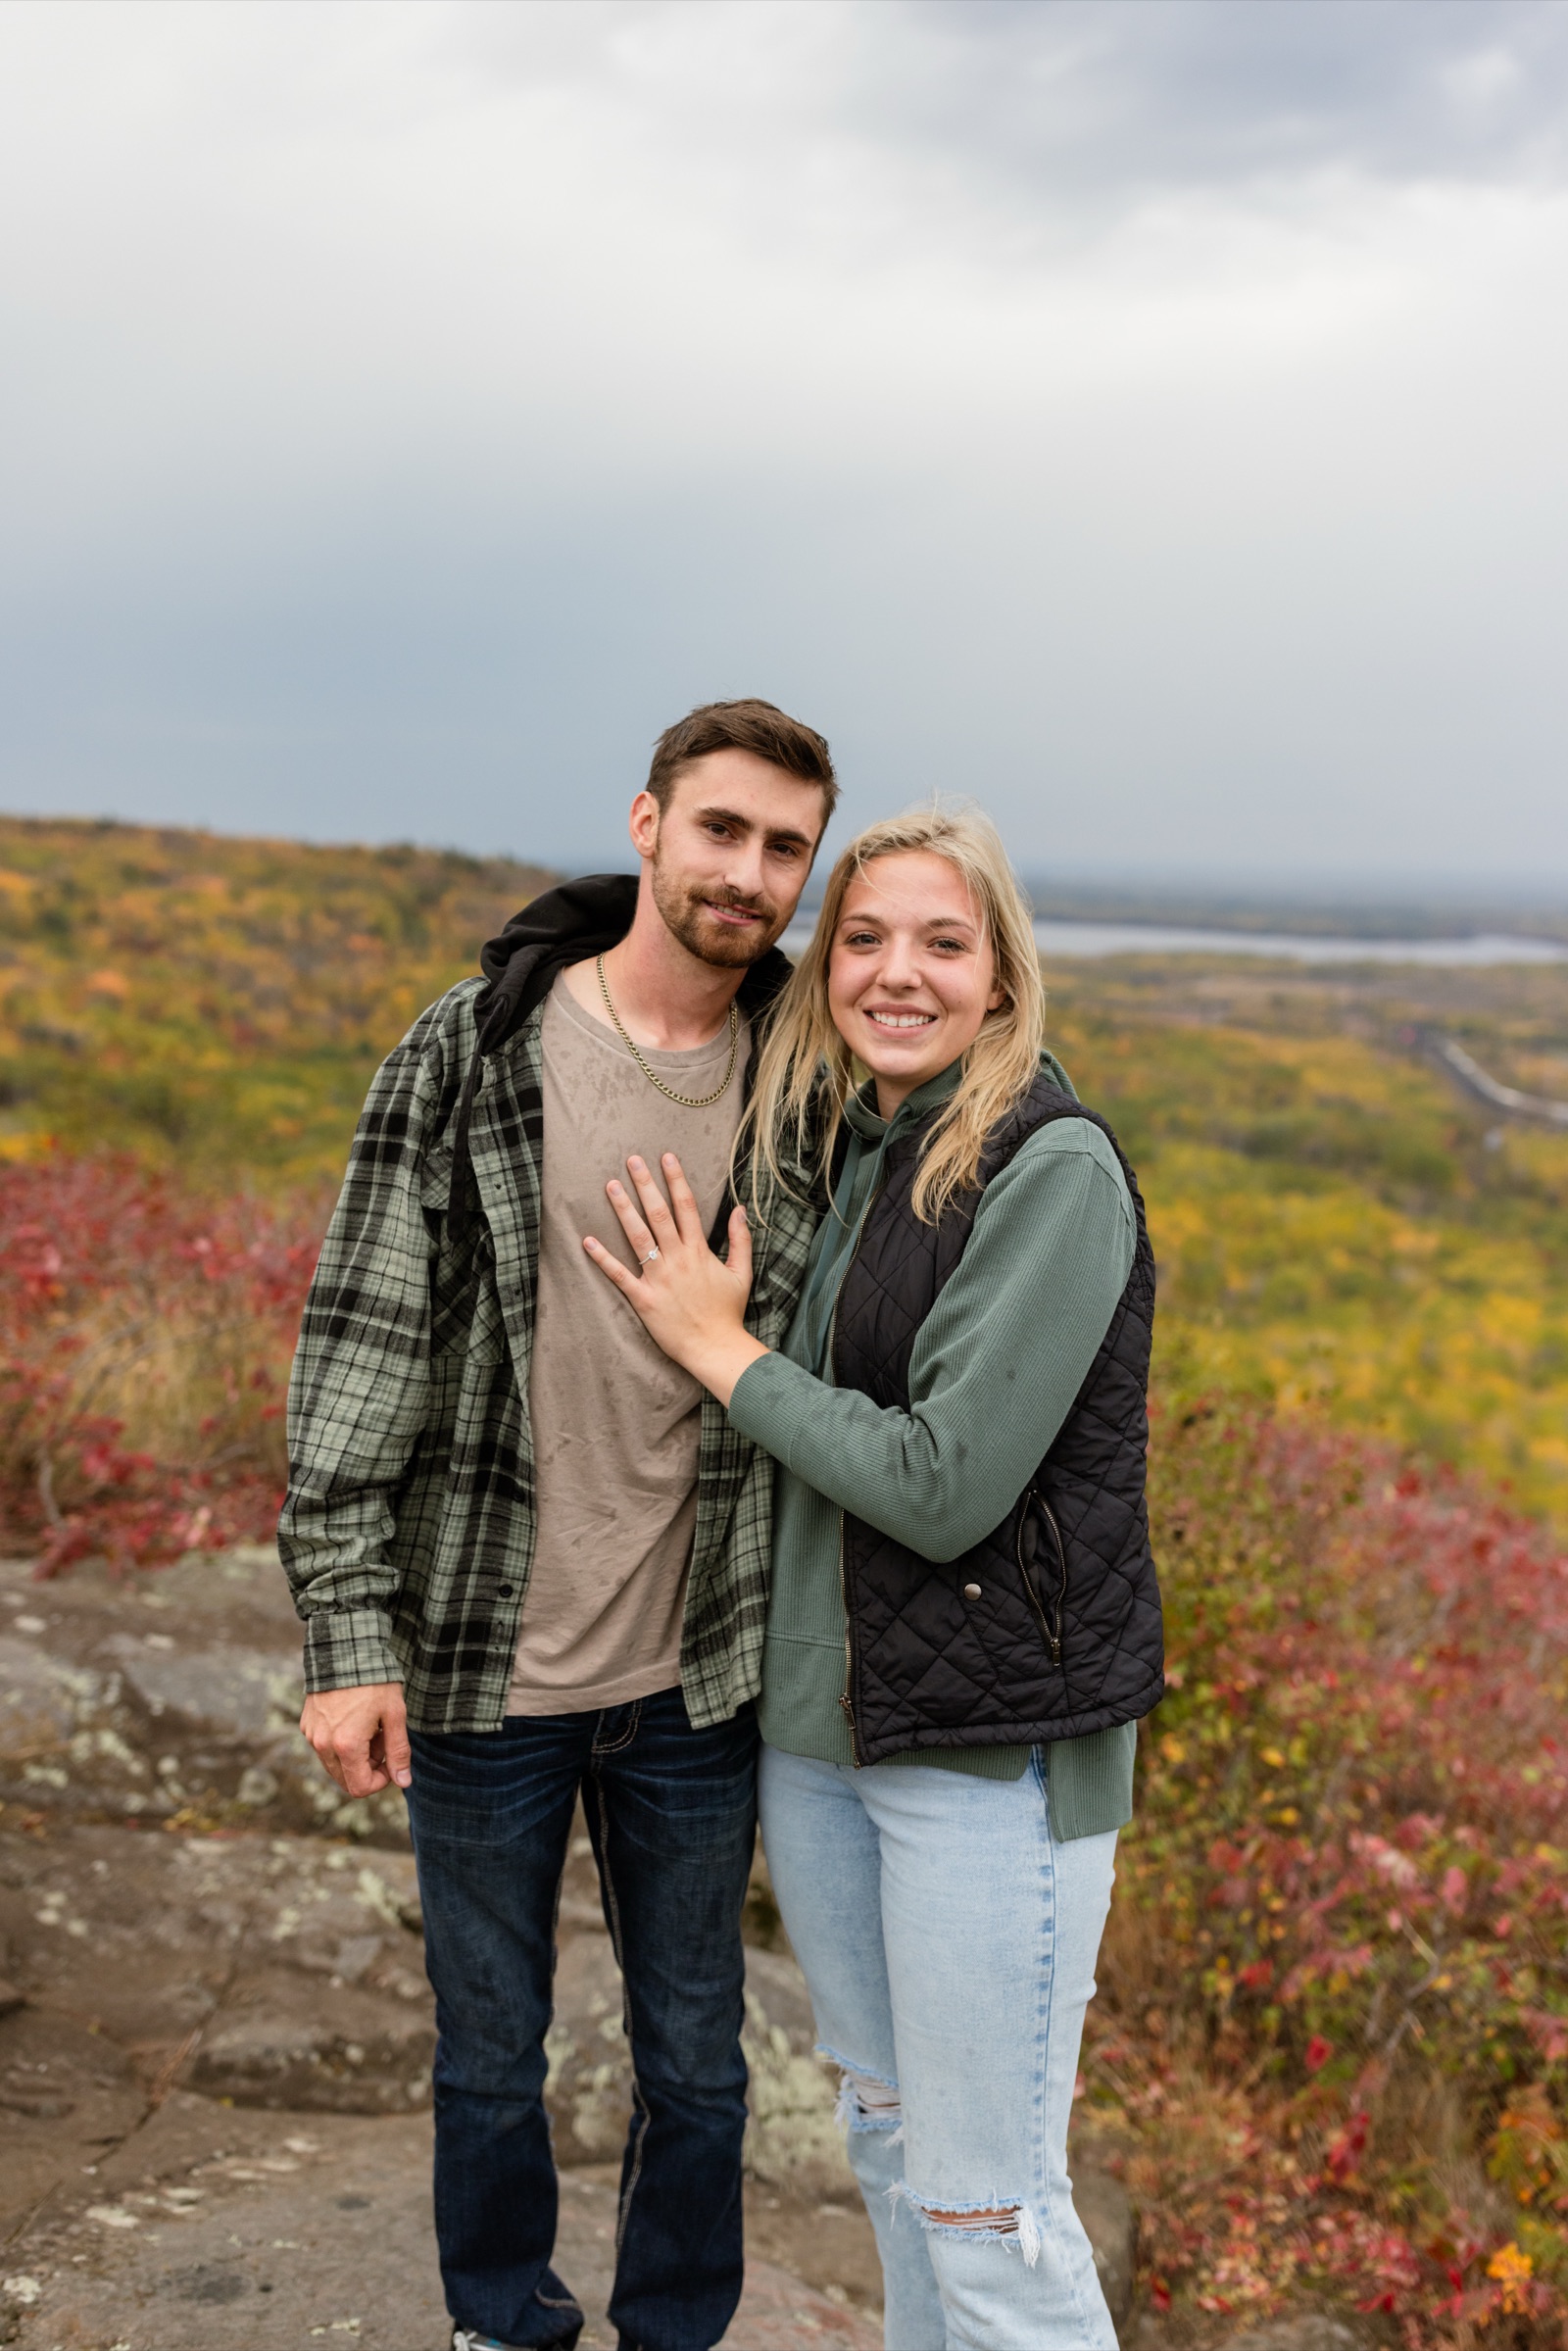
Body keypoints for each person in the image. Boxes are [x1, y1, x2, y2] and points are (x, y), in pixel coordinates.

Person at [278, 700, 837, 2351]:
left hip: (698, 1673)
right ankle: (500, 2323)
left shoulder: (807, 1088)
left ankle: (674, 2332)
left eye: (785, 847)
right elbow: (361, 1339)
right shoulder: (476, 1045)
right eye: (722, 829)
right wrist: (345, 1636)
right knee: (486, 2053)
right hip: (479, 1660)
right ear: (649, 823)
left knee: (698, 2062)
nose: (749, 872)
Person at [583, 802, 1163, 2351]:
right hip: (827, 1748)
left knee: (992, 2212)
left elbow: (944, 1485)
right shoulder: (856, 1147)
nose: (898, 972)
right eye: (864, 938)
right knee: (900, 2157)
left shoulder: (1053, 1168)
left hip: (989, 1760)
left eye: (943, 942)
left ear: (1003, 975)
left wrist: (722, 1352)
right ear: (823, 962)